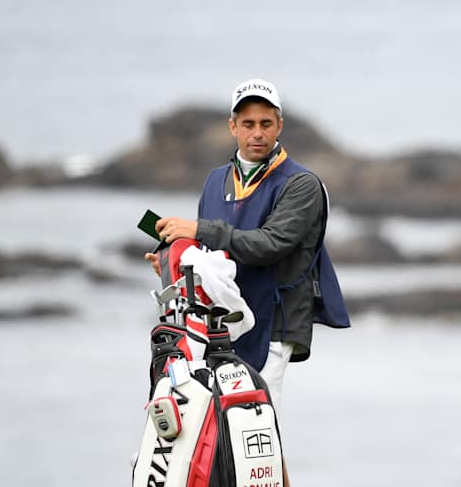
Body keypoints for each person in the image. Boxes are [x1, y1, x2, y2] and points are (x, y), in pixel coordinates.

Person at [145, 78, 350, 412]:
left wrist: (197, 229)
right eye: (248, 124)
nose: (258, 133)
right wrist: (174, 264)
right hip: (221, 323)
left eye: (266, 124)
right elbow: (211, 254)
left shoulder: (302, 185)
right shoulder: (216, 180)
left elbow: (269, 244)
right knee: (221, 432)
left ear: (279, 126)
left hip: (275, 323)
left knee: (257, 427)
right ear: (233, 127)